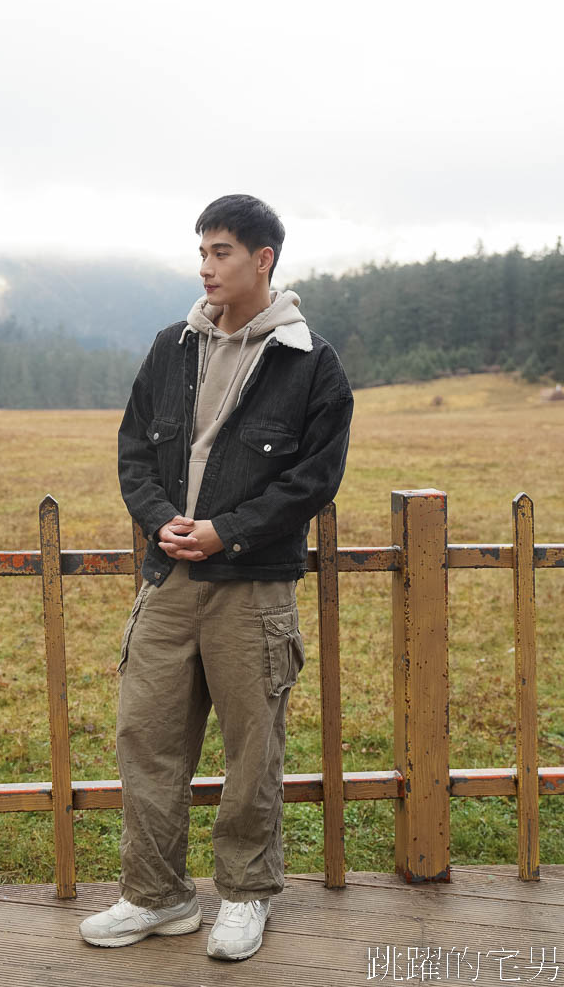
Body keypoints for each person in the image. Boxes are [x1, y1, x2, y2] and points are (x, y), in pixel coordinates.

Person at [79, 194, 353, 961]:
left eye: (222, 251)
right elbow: (135, 446)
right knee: (147, 738)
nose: (206, 266)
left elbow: (314, 478)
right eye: (202, 251)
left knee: (250, 748)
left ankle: (244, 897)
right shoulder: (171, 346)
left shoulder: (310, 362)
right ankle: (158, 897)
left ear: (263, 260)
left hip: (253, 586)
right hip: (169, 580)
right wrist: (160, 517)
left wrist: (225, 531)